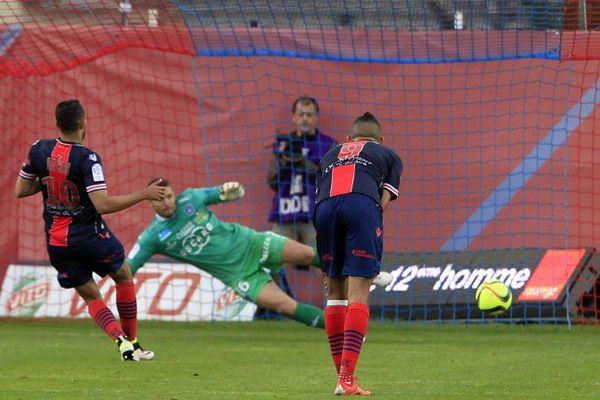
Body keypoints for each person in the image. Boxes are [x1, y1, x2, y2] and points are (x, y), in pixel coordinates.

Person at [15, 99, 166, 361]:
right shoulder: (88, 159)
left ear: (57, 124)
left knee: (90, 296)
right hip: (89, 236)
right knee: (122, 274)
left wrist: (51, 180)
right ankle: (133, 341)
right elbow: (103, 204)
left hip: (57, 242)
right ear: (84, 124)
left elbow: (21, 190)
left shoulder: (38, 149)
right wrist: (144, 194)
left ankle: (122, 345)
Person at [126, 179, 326, 329]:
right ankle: (345, 330)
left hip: (251, 242)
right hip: (239, 275)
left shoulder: (191, 198)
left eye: (169, 196)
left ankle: (351, 273)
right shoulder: (152, 238)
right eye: (159, 199)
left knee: (307, 255)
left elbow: (226, 192)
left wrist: (233, 189)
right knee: (285, 306)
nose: (167, 203)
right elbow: (129, 267)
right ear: (149, 203)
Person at [314, 112, 403, 396]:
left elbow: (322, 194)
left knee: (335, 293)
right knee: (359, 290)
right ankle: (348, 378)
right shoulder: (389, 154)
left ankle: (342, 377)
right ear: (381, 139)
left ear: (348, 140)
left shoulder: (329, 155)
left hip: (325, 210)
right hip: (361, 206)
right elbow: (382, 201)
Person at [261, 97, 337, 316]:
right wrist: (283, 162)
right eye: (301, 114)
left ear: (316, 117)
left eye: (309, 114)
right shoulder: (283, 143)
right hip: (284, 215)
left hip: (315, 217)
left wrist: (303, 163)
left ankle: (335, 310)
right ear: (293, 117)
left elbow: (329, 179)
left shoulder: (328, 144)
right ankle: (272, 310)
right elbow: (272, 182)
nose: (305, 118)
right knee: (271, 264)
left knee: (325, 266)